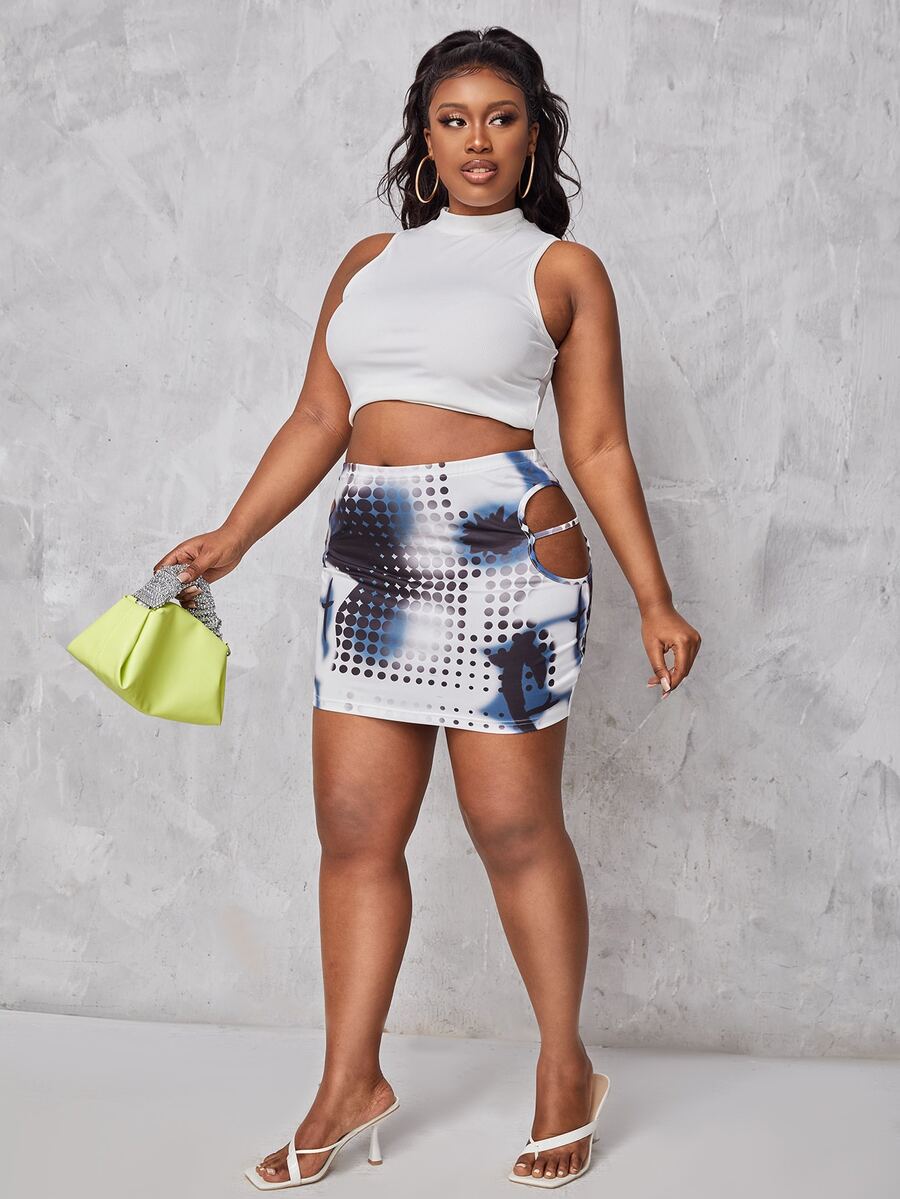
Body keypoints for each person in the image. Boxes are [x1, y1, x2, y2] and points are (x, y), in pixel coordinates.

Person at [154, 26, 701, 1190]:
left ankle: (565, 1067)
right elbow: (320, 417)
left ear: (536, 132)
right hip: (372, 551)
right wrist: (233, 536)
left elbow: (600, 443)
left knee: (513, 827)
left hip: (506, 550)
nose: (477, 142)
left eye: (501, 117)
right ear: (425, 136)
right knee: (356, 827)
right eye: (453, 120)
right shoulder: (369, 260)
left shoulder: (561, 268)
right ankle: (348, 1078)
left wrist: (657, 596)